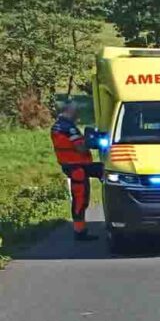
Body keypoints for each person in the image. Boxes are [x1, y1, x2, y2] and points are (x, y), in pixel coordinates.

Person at [51, 101, 101, 241]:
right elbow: (80, 148)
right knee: (80, 199)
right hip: (77, 167)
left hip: (73, 165)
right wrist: (93, 142)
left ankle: (80, 230)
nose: (78, 114)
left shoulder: (58, 125)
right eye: (76, 111)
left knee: (80, 198)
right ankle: (79, 232)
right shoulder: (68, 127)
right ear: (69, 111)